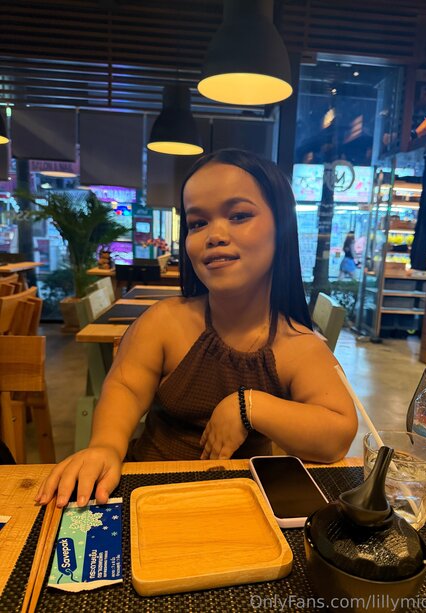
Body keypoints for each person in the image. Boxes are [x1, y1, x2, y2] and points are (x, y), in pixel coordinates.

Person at [37, 149, 357, 509]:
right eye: (198, 223)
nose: (214, 235)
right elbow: (126, 387)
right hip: (149, 496)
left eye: (239, 215)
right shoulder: (164, 321)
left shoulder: (296, 344)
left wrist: (249, 406)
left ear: (281, 227)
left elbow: (338, 435)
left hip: (242, 506)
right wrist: (105, 446)